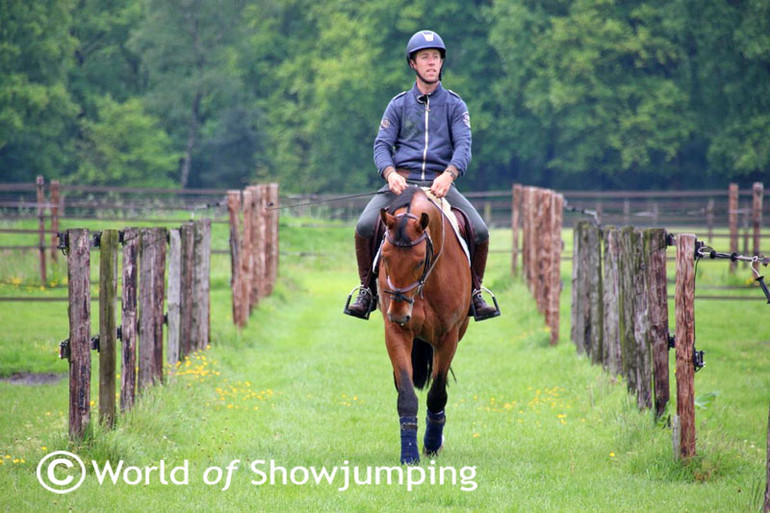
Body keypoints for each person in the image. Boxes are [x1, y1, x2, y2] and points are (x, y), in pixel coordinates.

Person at [344, 29, 499, 321]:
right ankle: (366, 290)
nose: (432, 63)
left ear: (442, 63)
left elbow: (464, 146)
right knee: (364, 226)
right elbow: (382, 145)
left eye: (436, 57)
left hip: (440, 186)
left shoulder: (455, 105)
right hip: (401, 184)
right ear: (413, 64)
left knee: (480, 231)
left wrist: (449, 175)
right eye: (425, 57)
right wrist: (389, 173)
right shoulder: (398, 104)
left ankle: (475, 294)